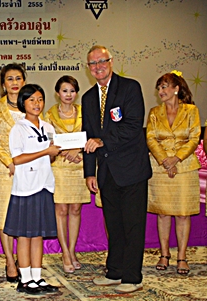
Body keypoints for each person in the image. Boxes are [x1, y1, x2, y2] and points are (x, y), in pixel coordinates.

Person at [82, 45, 152, 294]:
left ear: (112, 61)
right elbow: (88, 137)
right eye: (92, 63)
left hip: (132, 169)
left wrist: (104, 141)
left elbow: (133, 125)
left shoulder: (130, 87)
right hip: (106, 171)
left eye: (102, 61)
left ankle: (132, 276)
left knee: (133, 224)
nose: (98, 66)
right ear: (88, 68)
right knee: (113, 223)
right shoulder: (89, 98)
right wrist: (89, 172)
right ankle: (115, 271)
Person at [4, 84, 61, 295]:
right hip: (25, 187)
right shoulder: (18, 128)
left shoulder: (48, 127)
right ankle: (25, 279)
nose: (36, 104)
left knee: (38, 235)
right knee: (24, 235)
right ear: (23, 103)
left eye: (40, 99)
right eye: (31, 100)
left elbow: (51, 155)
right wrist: (45, 150)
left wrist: (54, 151)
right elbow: (17, 159)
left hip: (44, 184)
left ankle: (37, 277)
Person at [146, 70, 201, 275]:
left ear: (176, 89)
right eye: (159, 87)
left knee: (183, 214)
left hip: (185, 168)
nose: (161, 91)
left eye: (165, 86)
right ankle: (164, 254)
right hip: (160, 168)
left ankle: (182, 257)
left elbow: (194, 138)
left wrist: (176, 158)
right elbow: (151, 138)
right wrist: (164, 160)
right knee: (163, 213)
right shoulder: (154, 112)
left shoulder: (191, 111)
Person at [44, 75, 90, 273]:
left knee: (76, 210)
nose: (68, 94)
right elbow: (47, 141)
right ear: (57, 93)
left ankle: (72, 251)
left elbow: (92, 135)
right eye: (64, 91)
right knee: (61, 209)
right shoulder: (49, 115)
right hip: (60, 166)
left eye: (72, 91)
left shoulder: (85, 112)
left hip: (80, 165)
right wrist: (65, 152)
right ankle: (64, 252)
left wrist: (78, 151)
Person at [0, 63, 26, 282]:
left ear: (24, 81)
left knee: (23, 216)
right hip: (5, 170)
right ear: (3, 84)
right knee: (4, 216)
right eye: (9, 79)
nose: (14, 83)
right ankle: (10, 261)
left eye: (18, 78)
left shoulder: (31, 104)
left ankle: (23, 260)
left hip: (29, 170)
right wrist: (10, 161)